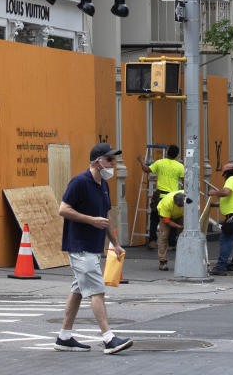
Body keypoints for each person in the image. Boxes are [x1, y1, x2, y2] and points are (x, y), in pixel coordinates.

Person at [55, 142, 133, 354]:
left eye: (114, 160)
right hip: (80, 247)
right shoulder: (79, 182)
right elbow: (63, 209)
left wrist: (115, 243)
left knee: (78, 291)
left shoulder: (103, 185)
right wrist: (90, 220)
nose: (113, 164)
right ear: (98, 162)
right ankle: (108, 338)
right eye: (110, 160)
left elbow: (106, 217)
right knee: (98, 291)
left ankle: (64, 337)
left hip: (92, 247)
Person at [139, 144, 184, 246]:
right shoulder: (180, 166)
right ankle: (172, 243)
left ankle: (152, 241)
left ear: (167, 153)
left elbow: (146, 169)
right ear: (177, 155)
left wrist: (141, 161)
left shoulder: (160, 163)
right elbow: (185, 182)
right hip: (173, 197)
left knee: (154, 218)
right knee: (171, 218)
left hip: (160, 195)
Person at [155, 191, 191, 271]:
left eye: (182, 205)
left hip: (180, 215)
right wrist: (179, 226)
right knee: (163, 236)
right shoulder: (166, 204)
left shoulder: (188, 196)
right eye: (179, 205)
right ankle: (162, 261)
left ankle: (186, 259)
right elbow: (167, 221)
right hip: (166, 216)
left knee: (185, 235)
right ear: (175, 203)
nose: (181, 206)